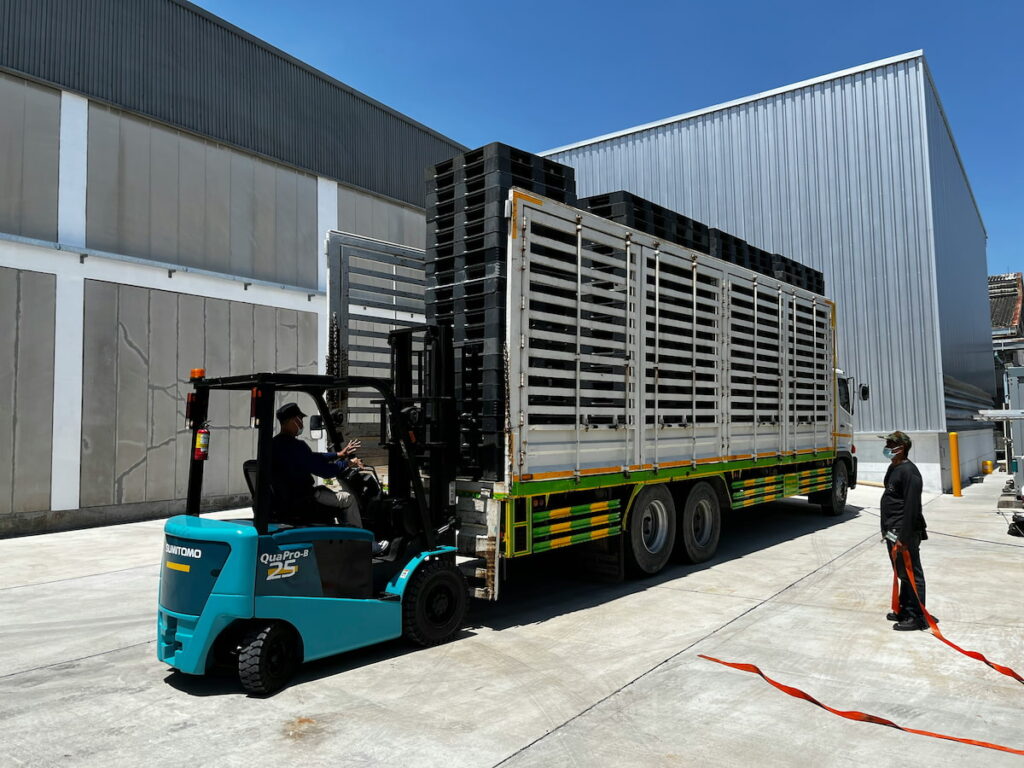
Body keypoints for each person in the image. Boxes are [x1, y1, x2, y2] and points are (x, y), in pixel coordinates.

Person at [270, 402, 387, 554]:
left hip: (286, 498)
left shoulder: (275, 444)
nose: (302, 423)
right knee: (348, 499)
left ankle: (344, 539)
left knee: (327, 491)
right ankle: (364, 546)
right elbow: (325, 472)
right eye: (301, 419)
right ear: (294, 420)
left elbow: (312, 458)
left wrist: (338, 455)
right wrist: (347, 464)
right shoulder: (296, 446)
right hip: (304, 498)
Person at [879, 430, 928, 631]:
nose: (887, 448)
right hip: (892, 530)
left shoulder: (910, 472)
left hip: (903, 531)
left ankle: (916, 616)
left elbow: (912, 508)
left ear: (901, 448)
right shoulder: (894, 468)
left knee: (911, 572)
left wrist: (903, 536)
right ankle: (905, 608)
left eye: (891, 445)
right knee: (901, 571)